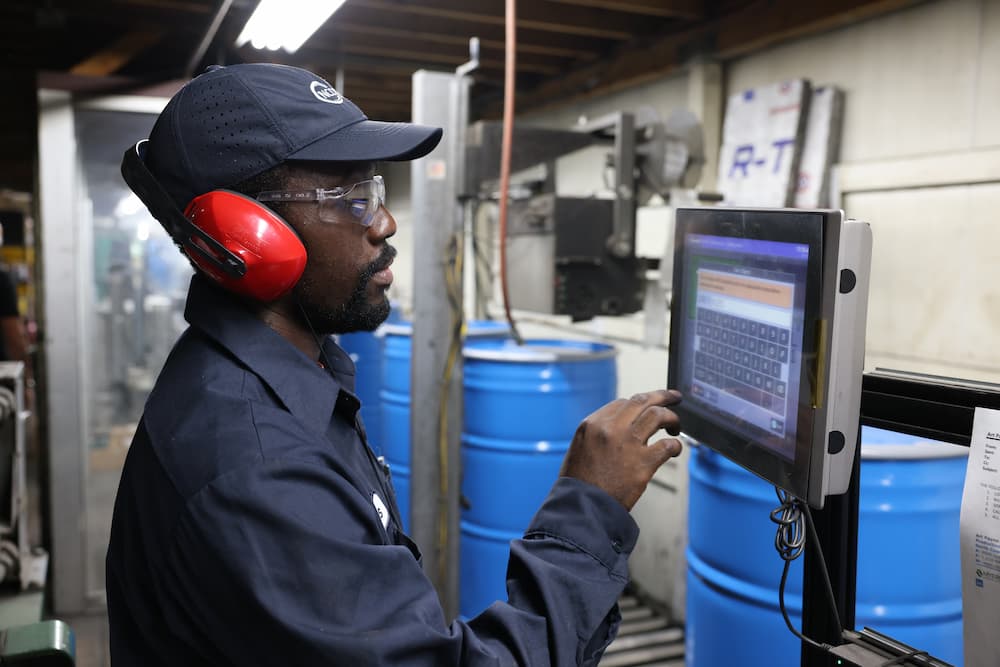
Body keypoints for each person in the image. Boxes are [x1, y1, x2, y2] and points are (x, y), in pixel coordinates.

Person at [106, 62, 684, 666]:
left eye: (374, 190)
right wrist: (589, 509)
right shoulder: (257, 468)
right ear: (247, 235)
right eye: (350, 197)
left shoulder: (291, 376)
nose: (384, 221)